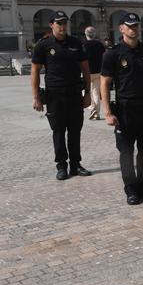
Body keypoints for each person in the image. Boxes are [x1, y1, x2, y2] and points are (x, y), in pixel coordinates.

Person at [100, 12, 143, 205]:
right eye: (129, 26)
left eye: (136, 25)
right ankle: (130, 189)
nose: (133, 29)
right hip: (125, 109)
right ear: (121, 29)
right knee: (126, 151)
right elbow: (104, 83)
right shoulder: (113, 53)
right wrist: (108, 112)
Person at [31, 10, 92, 180]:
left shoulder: (76, 43)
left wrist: (87, 93)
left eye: (65, 23)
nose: (63, 26)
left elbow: (85, 69)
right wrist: (36, 97)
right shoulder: (43, 45)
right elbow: (35, 71)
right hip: (54, 95)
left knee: (75, 131)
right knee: (58, 131)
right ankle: (61, 165)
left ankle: (75, 164)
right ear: (52, 25)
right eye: (59, 23)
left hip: (74, 94)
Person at [83, 26, 105, 121]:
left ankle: (92, 109)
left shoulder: (83, 45)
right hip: (98, 71)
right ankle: (96, 114)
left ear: (86, 34)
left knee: (85, 92)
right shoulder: (100, 45)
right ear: (94, 34)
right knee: (96, 92)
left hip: (86, 72)